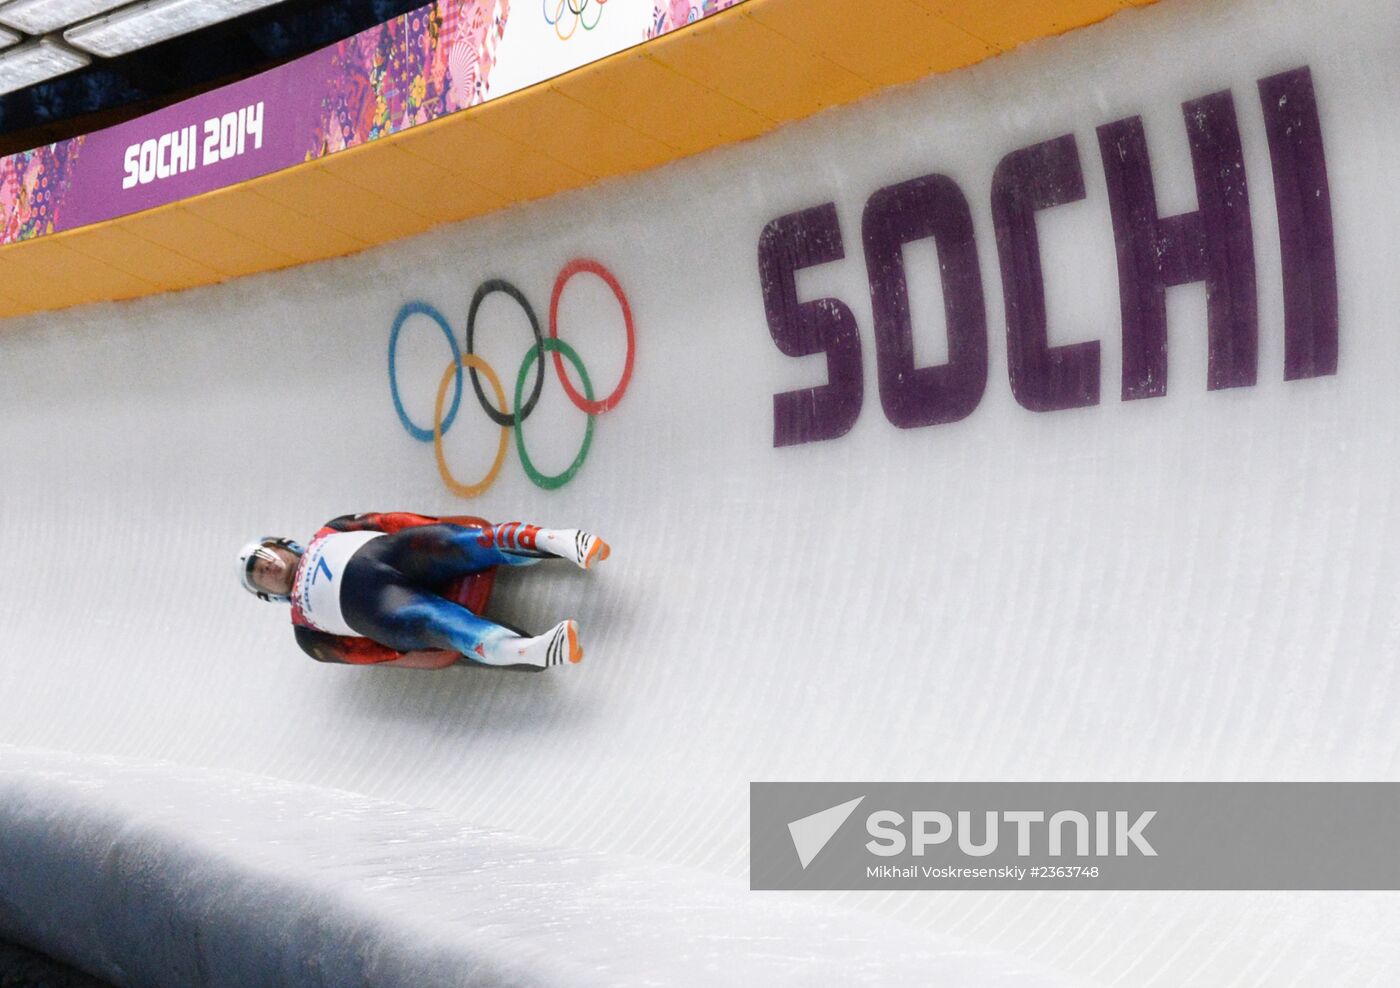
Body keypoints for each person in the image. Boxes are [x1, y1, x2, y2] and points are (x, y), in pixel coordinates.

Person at [237, 512, 609, 670]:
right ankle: (531, 650)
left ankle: (556, 540)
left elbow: (385, 521)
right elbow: (363, 653)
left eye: (265, 557)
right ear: (267, 593)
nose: (268, 567)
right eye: (260, 574)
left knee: (460, 542)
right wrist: (403, 646)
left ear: (284, 544)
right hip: (384, 609)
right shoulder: (306, 633)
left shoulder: (330, 530)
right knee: (434, 623)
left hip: (396, 555)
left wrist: (432, 526)